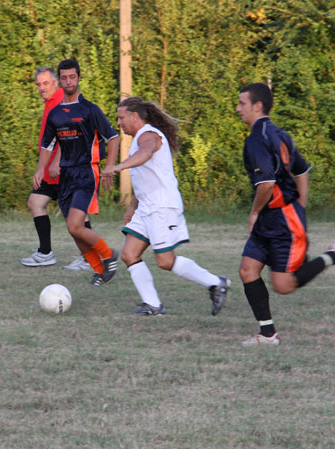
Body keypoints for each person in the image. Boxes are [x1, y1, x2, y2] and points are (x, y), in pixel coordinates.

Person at [236, 83, 335, 346]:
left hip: (282, 221)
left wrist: (256, 212)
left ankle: (334, 255)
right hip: (275, 217)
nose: (238, 109)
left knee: (284, 286)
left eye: (241, 103)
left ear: (257, 106)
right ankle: (268, 335)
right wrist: (300, 205)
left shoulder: (256, 139)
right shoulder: (280, 134)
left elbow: (267, 183)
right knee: (248, 270)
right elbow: (302, 170)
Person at [102, 97, 230, 316]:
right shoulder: (137, 139)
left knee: (165, 260)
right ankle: (152, 305)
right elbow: (145, 177)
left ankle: (216, 282)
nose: (119, 122)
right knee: (129, 254)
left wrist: (118, 167)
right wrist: (133, 206)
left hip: (162, 207)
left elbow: (146, 154)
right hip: (146, 208)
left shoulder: (149, 135)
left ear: (135, 116)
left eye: (121, 117)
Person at [34, 59, 120, 286]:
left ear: (79, 78)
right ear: (60, 81)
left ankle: (110, 255)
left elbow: (113, 137)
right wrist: (41, 169)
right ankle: (100, 270)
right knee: (74, 230)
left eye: (72, 77)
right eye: (64, 78)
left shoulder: (90, 109)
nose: (69, 81)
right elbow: (48, 145)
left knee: (75, 225)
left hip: (86, 173)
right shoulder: (56, 113)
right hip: (65, 176)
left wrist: (109, 166)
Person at [20, 67, 91, 271]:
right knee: (35, 202)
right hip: (51, 171)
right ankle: (45, 253)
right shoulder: (50, 104)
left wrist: (56, 162)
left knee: (75, 212)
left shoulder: (63, 102)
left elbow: (70, 134)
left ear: (56, 83)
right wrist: (41, 168)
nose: (42, 88)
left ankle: (89, 257)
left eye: (46, 83)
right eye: (39, 84)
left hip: (66, 168)